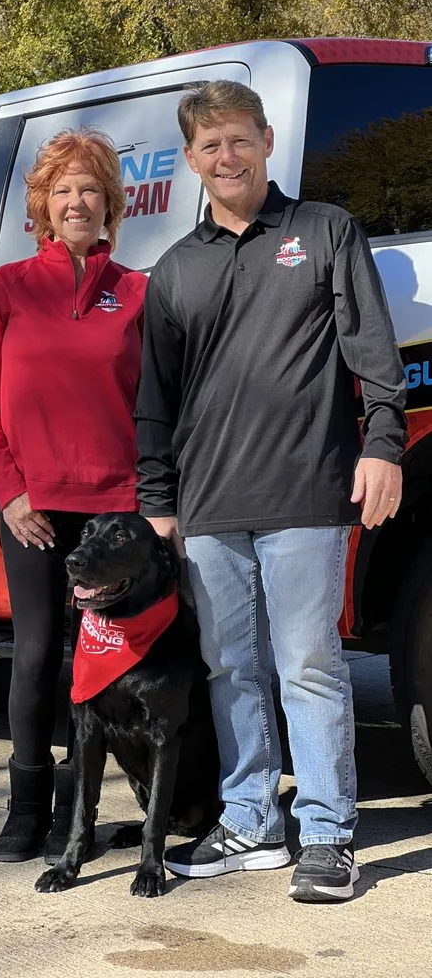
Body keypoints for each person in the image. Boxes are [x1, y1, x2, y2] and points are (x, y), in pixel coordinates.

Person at [135, 81, 407, 903]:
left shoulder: (324, 231)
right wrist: (159, 500)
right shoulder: (175, 269)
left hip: (305, 494)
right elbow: (156, 397)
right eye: (210, 145)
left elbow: (372, 348)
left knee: (310, 666)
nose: (227, 156)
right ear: (191, 160)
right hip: (211, 504)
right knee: (230, 669)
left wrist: (385, 445)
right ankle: (251, 819)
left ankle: (326, 833)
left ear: (266, 139)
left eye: (239, 139)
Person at [0, 129, 147, 863]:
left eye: (90, 190)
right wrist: (11, 493)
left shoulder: (135, 292)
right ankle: (24, 804)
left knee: (98, 661)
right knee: (37, 654)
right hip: (31, 509)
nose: (76, 202)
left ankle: (81, 806)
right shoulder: (8, 287)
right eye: (63, 190)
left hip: (113, 510)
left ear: (109, 207)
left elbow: (153, 403)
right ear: (43, 205)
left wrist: (146, 504)